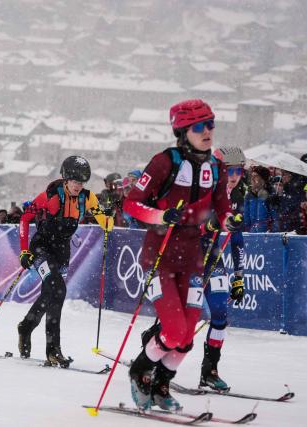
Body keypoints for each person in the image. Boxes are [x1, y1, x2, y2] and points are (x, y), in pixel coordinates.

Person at [123, 99, 240, 411]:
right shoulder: (165, 162)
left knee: (187, 336)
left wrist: (227, 218)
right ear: (182, 131)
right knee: (173, 330)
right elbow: (132, 204)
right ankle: (139, 372)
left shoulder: (216, 167)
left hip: (191, 259)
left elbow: (220, 203)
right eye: (199, 127)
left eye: (211, 124)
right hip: (159, 256)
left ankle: (161, 385)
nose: (207, 132)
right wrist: (161, 217)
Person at [17, 155, 113, 368]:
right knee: (57, 289)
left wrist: (109, 216)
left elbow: (105, 223)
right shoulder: (50, 196)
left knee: (51, 294)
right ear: (65, 179)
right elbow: (25, 219)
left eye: (81, 182)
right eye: (74, 181)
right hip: (41, 249)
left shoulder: (88, 198)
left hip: (61, 252)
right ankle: (53, 350)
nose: (78, 186)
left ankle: (26, 326)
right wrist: (24, 251)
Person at [198, 147, 247, 391]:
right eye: (229, 170)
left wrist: (239, 277)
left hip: (213, 258)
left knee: (220, 316)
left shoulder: (238, 195)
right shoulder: (203, 190)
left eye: (239, 170)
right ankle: (152, 354)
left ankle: (210, 371)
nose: (234, 175)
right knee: (181, 318)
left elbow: (237, 240)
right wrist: (209, 224)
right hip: (190, 257)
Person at [243, 166, 275, 232]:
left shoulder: (271, 195)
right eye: (252, 175)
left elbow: (276, 220)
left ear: (263, 179)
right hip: (251, 236)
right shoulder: (248, 196)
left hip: (268, 237)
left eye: (256, 176)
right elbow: (246, 221)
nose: (252, 178)